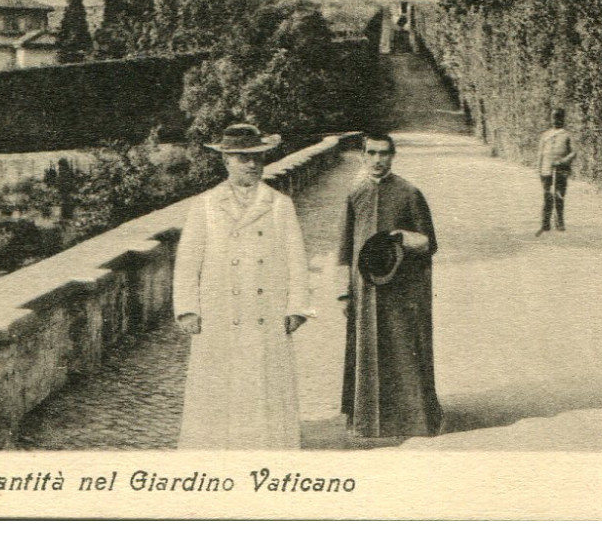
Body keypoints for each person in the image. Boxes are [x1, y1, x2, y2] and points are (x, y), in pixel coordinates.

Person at [173, 122, 312, 449]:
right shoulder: (205, 205)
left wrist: (297, 308)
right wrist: (188, 309)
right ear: (225, 161)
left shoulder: (279, 204)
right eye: (241, 158)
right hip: (220, 312)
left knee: (264, 385)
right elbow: (188, 262)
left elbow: (296, 259)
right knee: (221, 385)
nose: (250, 165)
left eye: (256, 158)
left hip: (266, 312)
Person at [338, 132, 442, 440]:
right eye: (371, 153)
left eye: (384, 153)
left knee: (403, 348)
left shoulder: (410, 193)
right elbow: (343, 248)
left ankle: (411, 420)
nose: (378, 159)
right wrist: (343, 292)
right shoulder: (354, 194)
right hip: (364, 290)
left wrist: (402, 237)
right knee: (366, 348)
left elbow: (429, 242)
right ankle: (366, 421)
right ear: (363, 156)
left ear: (392, 156)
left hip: (401, 288)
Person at [535, 108, 575, 235]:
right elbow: (540, 154)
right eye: (553, 117)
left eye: (558, 117)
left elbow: (574, 152)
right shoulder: (545, 135)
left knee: (559, 195)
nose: (555, 120)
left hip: (561, 170)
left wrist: (563, 161)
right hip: (546, 170)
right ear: (550, 118)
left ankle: (560, 223)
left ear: (563, 119)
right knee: (547, 196)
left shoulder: (567, 135)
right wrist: (539, 170)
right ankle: (545, 223)